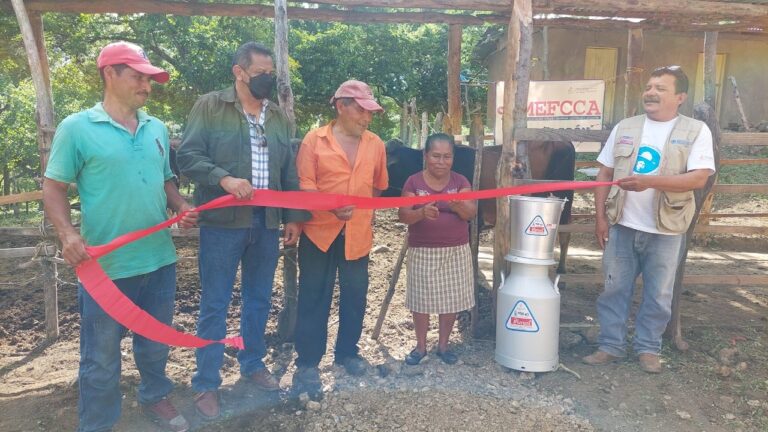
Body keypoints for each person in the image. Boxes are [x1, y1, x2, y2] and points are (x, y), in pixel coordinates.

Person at [43, 41, 197, 432]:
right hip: (105, 267)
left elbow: (165, 178)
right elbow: (54, 187)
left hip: (159, 259)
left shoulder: (156, 127)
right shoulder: (77, 128)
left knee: (155, 344)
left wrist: (179, 204)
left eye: (150, 79)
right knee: (101, 357)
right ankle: (97, 423)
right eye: (138, 76)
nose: (147, 85)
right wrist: (67, 234)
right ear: (109, 74)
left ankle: (155, 397)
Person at [176, 41, 309, 419]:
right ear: (239, 72)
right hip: (222, 224)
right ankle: (206, 382)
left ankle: (252, 364)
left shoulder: (279, 118)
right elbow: (188, 155)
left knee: (259, 300)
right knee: (214, 304)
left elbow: (289, 172)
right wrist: (224, 179)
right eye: (260, 73)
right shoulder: (211, 106)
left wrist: (293, 217)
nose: (267, 79)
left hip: (266, 223)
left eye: (271, 73)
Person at [583, 66, 716, 373]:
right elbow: (604, 172)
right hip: (623, 225)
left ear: (679, 97)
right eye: (649, 87)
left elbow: (698, 178)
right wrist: (600, 218)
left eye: (661, 88)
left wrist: (651, 182)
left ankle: (648, 349)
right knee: (614, 288)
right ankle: (611, 345)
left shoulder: (696, 131)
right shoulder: (626, 126)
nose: (651, 92)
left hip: (666, 229)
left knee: (659, 293)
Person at [292, 80, 389, 397]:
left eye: (370, 112)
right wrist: (331, 207)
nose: (367, 118)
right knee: (313, 296)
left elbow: (378, 187)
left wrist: (362, 216)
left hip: (357, 235)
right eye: (361, 110)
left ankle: (347, 352)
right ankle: (307, 362)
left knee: (355, 295)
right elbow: (305, 186)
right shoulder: (314, 140)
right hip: (318, 233)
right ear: (341, 106)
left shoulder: (375, 144)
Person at [397, 133, 477, 366]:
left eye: (447, 157)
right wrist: (420, 213)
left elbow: (470, 213)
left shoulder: (461, 182)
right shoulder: (413, 182)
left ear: (453, 158)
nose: (441, 162)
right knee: (421, 301)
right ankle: (421, 347)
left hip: (455, 250)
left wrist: (459, 206)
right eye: (436, 156)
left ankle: (443, 346)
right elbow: (403, 215)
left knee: (450, 301)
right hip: (423, 251)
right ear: (425, 156)